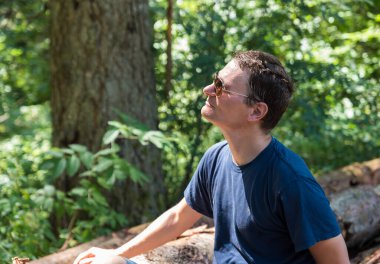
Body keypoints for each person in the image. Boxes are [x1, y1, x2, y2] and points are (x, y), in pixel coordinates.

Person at [73, 50, 350, 264]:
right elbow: (178, 218)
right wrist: (118, 255)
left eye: (221, 86)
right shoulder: (216, 157)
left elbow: (336, 260)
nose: (208, 89)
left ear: (256, 112)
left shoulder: (291, 180)